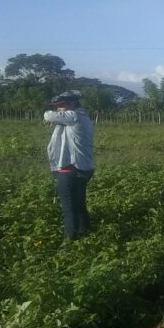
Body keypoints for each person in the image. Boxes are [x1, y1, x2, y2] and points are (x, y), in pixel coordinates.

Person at [43, 90, 94, 240]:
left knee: (68, 207)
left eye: (61, 106)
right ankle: (86, 232)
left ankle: (70, 240)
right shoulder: (82, 116)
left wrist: (54, 117)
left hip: (70, 169)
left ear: (71, 104)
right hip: (84, 168)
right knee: (79, 204)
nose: (58, 110)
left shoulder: (73, 116)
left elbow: (48, 115)